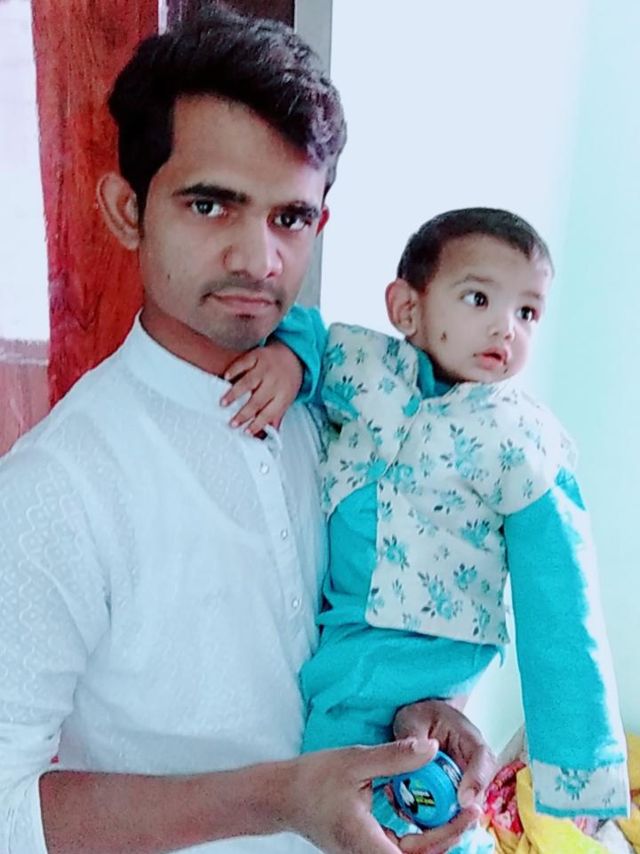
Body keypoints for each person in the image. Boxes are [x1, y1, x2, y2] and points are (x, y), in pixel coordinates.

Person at [0, 8, 495, 854]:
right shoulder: (59, 485)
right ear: (127, 210)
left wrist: (416, 712)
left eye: (289, 218)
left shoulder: (339, 414)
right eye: (210, 205)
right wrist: (281, 799)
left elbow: (335, 641)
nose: (259, 260)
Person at [224, 207, 629, 830]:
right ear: (407, 309)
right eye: (478, 299)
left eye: (527, 312)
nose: (506, 328)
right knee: (368, 785)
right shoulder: (364, 368)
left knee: (368, 782)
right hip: (348, 632)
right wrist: (289, 361)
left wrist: (577, 765)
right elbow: (308, 330)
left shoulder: (521, 439)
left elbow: (561, 599)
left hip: (436, 650)